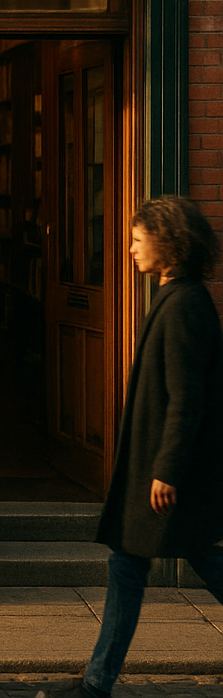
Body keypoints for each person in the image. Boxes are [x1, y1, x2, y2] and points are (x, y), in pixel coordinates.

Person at [49, 196, 223, 697]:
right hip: (159, 467)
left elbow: (187, 398)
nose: (128, 250)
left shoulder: (186, 304)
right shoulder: (176, 297)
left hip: (168, 471)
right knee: (130, 565)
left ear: (167, 244)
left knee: (169, 563)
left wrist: (167, 468)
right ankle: (96, 682)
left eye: (137, 240)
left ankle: (95, 684)